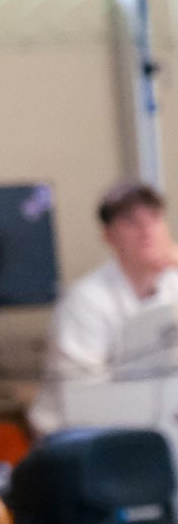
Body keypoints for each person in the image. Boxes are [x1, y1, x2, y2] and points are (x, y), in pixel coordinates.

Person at [30, 180, 178, 434]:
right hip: (78, 437)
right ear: (109, 236)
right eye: (131, 221)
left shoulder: (172, 284)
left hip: (153, 428)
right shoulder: (85, 300)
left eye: (154, 218)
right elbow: (84, 398)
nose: (147, 230)